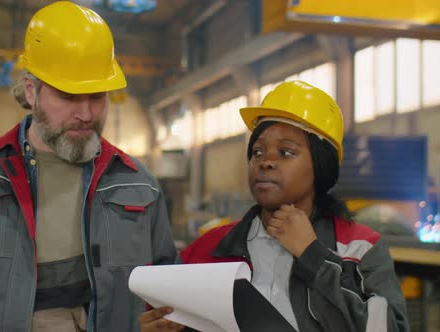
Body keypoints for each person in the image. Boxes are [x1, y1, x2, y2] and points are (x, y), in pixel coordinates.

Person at [0, 1, 177, 331]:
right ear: (32, 91)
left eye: (96, 95)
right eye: (69, 96)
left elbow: (169, 287)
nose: (86, 113)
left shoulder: (138, 185)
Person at [141, 81, 409, 332]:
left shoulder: (359, 248)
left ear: (320, 165)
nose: (265, 162)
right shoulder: (207, 248)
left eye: (286, 152)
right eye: (257, 152)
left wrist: (313, 256)